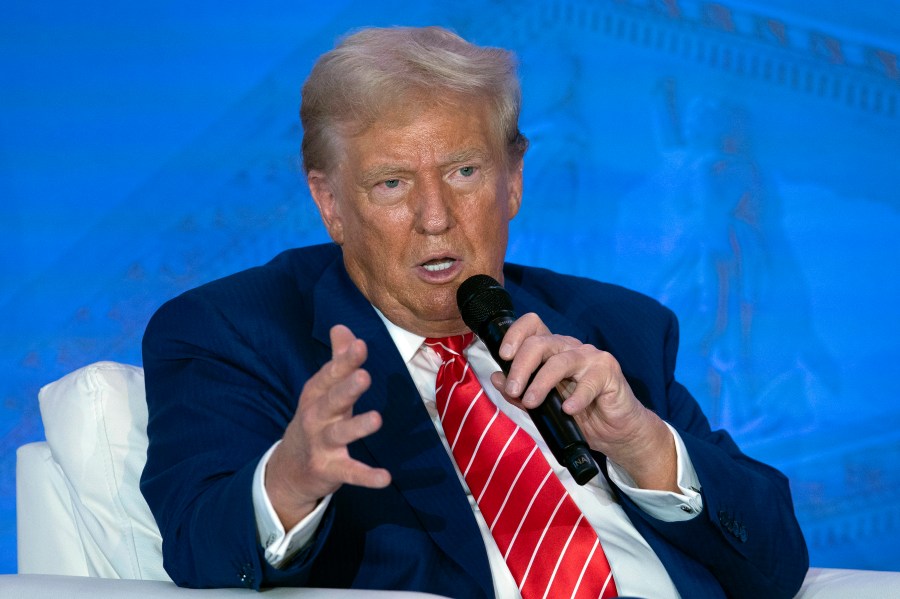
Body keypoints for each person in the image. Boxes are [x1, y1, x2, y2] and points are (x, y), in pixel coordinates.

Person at [140, 26, 808, 598]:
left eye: (464, 172)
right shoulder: (235, 331)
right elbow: (201, 548)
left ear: (513, 179)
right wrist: (288, 479)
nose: (435, 218)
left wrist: (645, 444)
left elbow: (779, 560)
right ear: (331, 202)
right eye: (392, 183)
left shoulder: (614, 325)